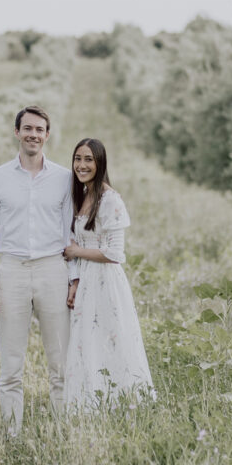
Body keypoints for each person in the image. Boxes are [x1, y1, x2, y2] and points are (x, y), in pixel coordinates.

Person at [0, 105, 78, 436]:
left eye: (39, 129)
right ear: (17, 132)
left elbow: (70, 233)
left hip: (52, 271)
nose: (33, 134)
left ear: (47, 135)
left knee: (60, 364)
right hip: (13, 271)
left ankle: (61, 433)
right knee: (11, 366)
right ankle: (12, 437)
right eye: (27, 128)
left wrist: (73, 279)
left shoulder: (63, 178)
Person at [63, 138, 154, 410]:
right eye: (78, 158)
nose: (82, 165)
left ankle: (122, 402)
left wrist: (76, 252)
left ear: (100, 163)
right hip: (86, 280)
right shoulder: (82, 196)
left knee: (111, 338)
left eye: (89, 159)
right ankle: (88, 402)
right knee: (87, 342)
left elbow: (115, 254)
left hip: (105, 280)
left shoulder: (109, 199)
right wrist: (75, 281)